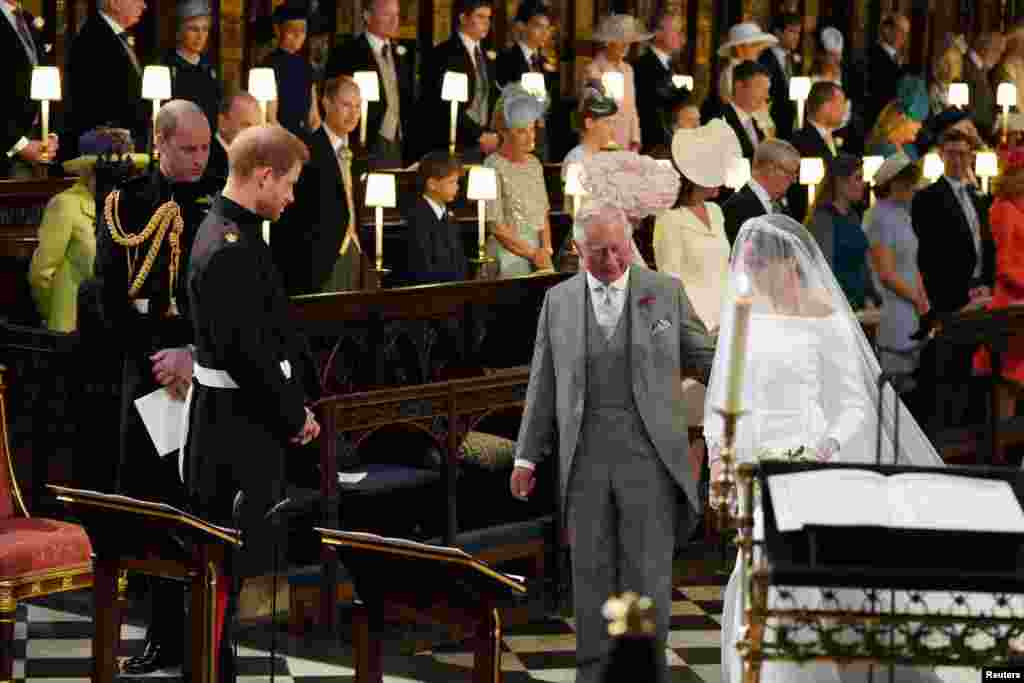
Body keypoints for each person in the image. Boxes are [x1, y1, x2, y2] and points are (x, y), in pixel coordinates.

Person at [706, 213, 945, 683]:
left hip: (811, 457)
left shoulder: (825, 317)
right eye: (750, 266)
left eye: (761, 266)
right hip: (754, 458)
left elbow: (854, 402)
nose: (753, 275)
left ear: (789, 264)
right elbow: (724, 398)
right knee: (755, 569)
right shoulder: (744, 315)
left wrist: (828, 445)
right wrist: (719, 460)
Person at [511, 199, 715, 683]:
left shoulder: (664, 292)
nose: (612, 260)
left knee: (646, 575)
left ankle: (645, 673)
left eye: (619, 248)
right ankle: (593, 674)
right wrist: (525, 457)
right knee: (590, 576)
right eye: (599, 251)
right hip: (583, 460)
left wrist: (751, 371)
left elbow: (706, 357)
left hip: (650, 458)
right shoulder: (558, 301)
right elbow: (543, 383)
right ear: (577, 249)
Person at [184, 123, 321, 683]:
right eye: (288, 184)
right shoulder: (230, 247)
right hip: (234, 432)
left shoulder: (230, 231)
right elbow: (249, 356)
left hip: (235, 421)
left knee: (230, 574)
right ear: (263, 176)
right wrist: (293, 415)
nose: (291, 197)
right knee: (223, 572)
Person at [94, 99, 214, 675]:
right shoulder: (126, 202)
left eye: (206, 147)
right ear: (159, 142)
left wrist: (194, 357)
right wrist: (159, 361)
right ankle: (160, 634)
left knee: (200, 508)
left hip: (206, 375)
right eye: (188, 148)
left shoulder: (220, 200)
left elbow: (226, 300)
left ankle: (207, 639)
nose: (199, 159)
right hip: (148, 375)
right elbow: (109, 296)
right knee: (152, 508)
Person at [654, 119, 740, 479]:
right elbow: (669, 281)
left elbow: (728, 268)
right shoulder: (669, 220)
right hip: (693, 328)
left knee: (722, 420)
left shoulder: (717, 213)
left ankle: (718, 498)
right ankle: (685, 498)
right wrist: (693, 329)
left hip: (725, 321)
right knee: (692, 420)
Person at [29, 128, 146, 331]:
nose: (118, 175)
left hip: (121, 330)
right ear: (89, 170)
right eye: (108, 169)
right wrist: (54, 314)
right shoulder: (66, 204)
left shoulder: (132, 205)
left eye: (125, 169)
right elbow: (41, 274)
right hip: (73, 328)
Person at [272, 75, 361, 294]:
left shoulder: (359, 152)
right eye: (346, 105)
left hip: (353, 252)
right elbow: (291, 216)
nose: (353, 114)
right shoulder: (307, 150)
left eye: (358, 106)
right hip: (316, 262)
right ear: (326, 104)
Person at [324, 0, 413, 168]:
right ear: (367, 16)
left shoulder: (402, 54)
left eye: (396, 14)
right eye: (387, 14)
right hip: (362, 142)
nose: (394, 21)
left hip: (399, 142)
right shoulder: (347, 53)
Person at [865, 151, 929, 380]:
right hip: (893, 310)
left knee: (913, 382)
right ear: (894, 184)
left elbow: (913, 261)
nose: (914, 188)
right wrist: (917, 299)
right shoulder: (878, 217)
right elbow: (886, 273)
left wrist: (922, 297)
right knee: (895, 383)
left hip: (913, 308)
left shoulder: (904, 214)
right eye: (910, 183)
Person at [973, 148, 1024, 419]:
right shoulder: (1004, 210)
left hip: (1018, 300)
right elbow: (1003, 266)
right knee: (1008, 379)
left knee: (1013, 381)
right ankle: (1001, 440)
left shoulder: (1015, 208)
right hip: (1011, 303)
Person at [484, 83, 553, 276]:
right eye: (522, 131)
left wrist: (546, 249)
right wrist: (532, 254)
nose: (531, 137)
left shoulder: (535, 164)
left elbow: (543, 215)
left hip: (538, 253)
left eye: (532, 129)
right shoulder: (492, 165)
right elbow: (497, 227)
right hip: (507, 251)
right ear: (504, 132)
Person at [66, 0, 150, 157]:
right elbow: (96, 100)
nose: (143, 6)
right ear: (115, 3)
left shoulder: (114, 35)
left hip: (122, 146)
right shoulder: (94, 37)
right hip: (107, 152)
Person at [418, 0, 498, 163]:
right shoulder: (443, 54)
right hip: (452, 142)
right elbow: (440, 103)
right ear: (463, 18)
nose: (486, 23)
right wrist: (478, 134)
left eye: (488, 18)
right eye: (480, 16)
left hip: (485, 144)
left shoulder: (486, 56)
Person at [806, 153, 881, 310]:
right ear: (840, 182)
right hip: (838, 307)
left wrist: (870, 296)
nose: (863, 184)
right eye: (858, 178)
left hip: (858, 305)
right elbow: (824, 270)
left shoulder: (852, 216)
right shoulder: (823, 219)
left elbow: (862, 264)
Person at [1, 0, 59, 177]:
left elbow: (44, 75)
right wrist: (20, 145)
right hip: (8, 148)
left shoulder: (26, 18)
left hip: (38, 143)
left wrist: (50, 135)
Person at [583, 14, 650, 152]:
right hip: (603, 142)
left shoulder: (628, 70)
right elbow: (592, 113)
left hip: (626, 142)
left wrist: (635, 139)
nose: (626, 45)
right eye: (621, 39)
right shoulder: (594, 69)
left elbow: (632, 107)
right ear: (608, 42)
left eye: (629, 40)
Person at [787, 80, 846, 222]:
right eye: (841, 104)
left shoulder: (832, 138)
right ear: (826, 107)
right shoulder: (801, 142)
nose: (844, 110)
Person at [722, 138, 801, 244]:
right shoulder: (736, 207)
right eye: (790, 173)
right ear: (771, 169)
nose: (794, 180)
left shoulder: (781, 206)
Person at [405, 152, 467, 284]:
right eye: (451, 182)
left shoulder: (449, 216)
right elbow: (423, 267)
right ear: (432, 184)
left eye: (457, 182)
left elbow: (459, 261)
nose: (457, 187)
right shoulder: (417, 218)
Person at [705, 22, 777, 137]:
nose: (759, 50)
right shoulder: (731, 73)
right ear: (740, 48)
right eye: (755, 46)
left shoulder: (754, 71)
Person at [262, 1, 320, 137]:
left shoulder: (306, 66)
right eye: (292, 29)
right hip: (279, 139)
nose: (298, 34)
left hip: (304, 139)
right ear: (278, 30)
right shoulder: (269, 65)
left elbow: (314, 117)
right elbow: (270, 117)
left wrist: (320, 141)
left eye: (303, 29)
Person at [163, 0, 221, 134]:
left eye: (205, 29)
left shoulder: (209, 68)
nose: (200, 36)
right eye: (193, 29)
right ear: (180, 30)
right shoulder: (166, 66)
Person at [634, 9, 684, 155]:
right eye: (675, 31)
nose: (680, 37)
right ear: (658, 33)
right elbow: (648, 109)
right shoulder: (642, 66)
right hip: (651, 147)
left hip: (673, 145)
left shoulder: (676, 66)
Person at [759, 12, 802, 141]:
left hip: (792, 128)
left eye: (798, 33)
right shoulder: (765, 59)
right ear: (778, 32)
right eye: (792, 32)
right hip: (773, 127)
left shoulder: (794, 60)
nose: (796, 37)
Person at [206, 88, 261, 183]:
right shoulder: (205, 160)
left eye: (256, 127)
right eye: (246, 125)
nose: (253, 134)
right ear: (222, 123)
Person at [866, 75, 928, 157]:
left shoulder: (908, 147)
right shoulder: (880, 151)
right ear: (902, 118)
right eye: (916, 121)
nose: (920, 126)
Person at [720, 60, 772, 159]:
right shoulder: (720, 119)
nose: (766, 96)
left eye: (767, 90)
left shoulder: (757, 123)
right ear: (739, 86)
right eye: (760, 88)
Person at [867, 13, 909, 130]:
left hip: (897, 122)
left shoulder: (901, 60)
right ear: (887, 30)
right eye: (901, 31)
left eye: (906, 33)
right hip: (877, 121)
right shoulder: (872, 56)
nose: (904, 37)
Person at [963, 32, 1005, 141]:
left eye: (1000, 52)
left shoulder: (982, 69)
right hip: (972, 135)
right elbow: (967, 108)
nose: (998, 57)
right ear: (984, 47)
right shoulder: (967, 67)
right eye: (997, 50)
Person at [928, 43, 963, 116]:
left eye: (956, 63)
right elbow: (939, 116)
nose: (952, 68)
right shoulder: (935, 89)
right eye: (947, 63)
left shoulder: (959, 88)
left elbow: (962, 113)